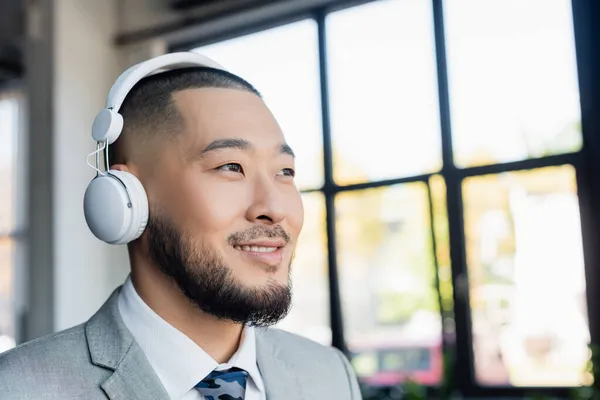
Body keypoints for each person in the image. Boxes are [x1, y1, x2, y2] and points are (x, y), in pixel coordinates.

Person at [0, 52, 362, 400]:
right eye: (230, 166)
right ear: (129, 197)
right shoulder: (19, 388)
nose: (274, 208)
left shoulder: (329, 375)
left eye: (285, 172)